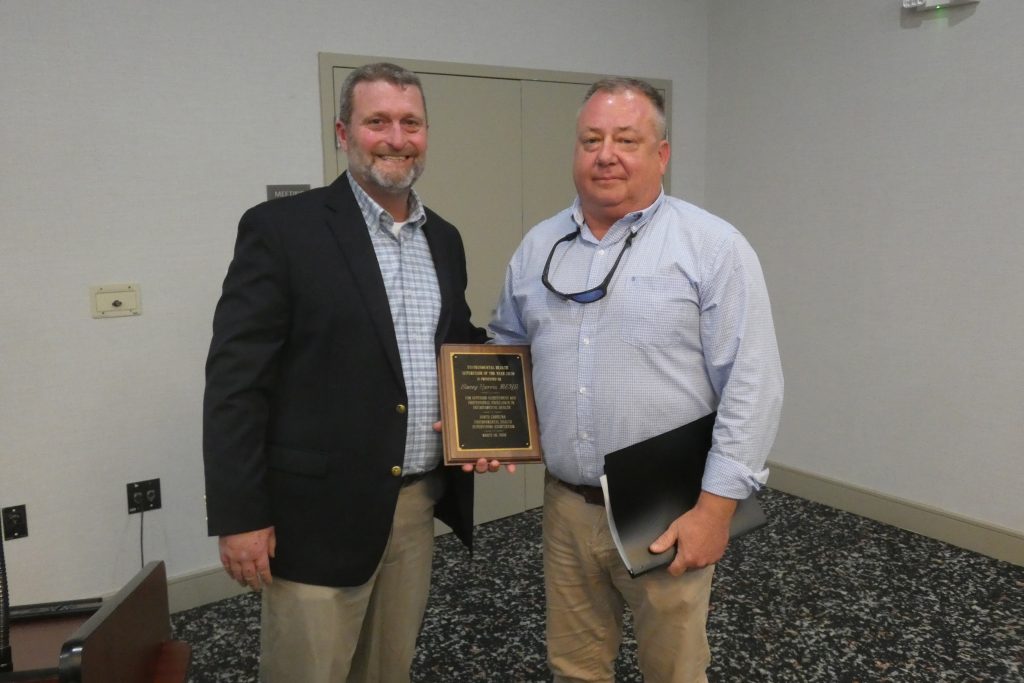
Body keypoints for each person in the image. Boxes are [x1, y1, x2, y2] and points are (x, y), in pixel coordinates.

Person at [202, 62, 491, 682]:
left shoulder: (444, 239)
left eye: (411, 122)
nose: (396, 138)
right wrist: (240, 514)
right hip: (315, 516)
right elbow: (235, 382)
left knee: (388, 670)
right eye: (377, 121)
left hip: (414, 506)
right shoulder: (284, 230)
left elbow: (457, 344)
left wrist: (486, 425)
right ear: (343, 133)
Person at [489, 77, 784, 682]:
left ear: (662, 153)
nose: (606, 155)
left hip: (667, 508)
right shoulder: (539, 246)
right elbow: (507, 346)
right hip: (567, 507)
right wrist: (486, 424)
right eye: (591, 139)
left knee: (673, 670)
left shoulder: (712, 247)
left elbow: (753, 384)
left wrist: (715, 512)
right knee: (574, 667)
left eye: (626, 139)